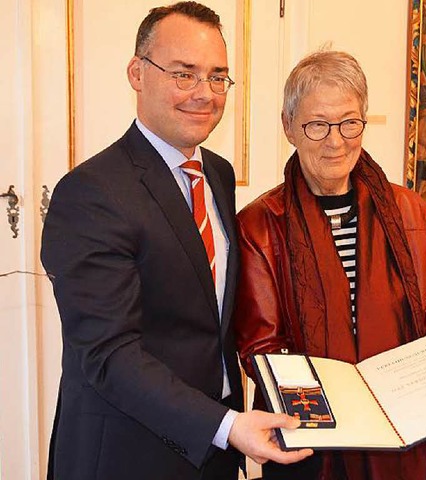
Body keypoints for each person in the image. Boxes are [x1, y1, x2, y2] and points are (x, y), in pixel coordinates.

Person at [41, 3, 312, 479]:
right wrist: (226, 426)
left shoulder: (218, 176)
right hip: (127, 454)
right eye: (184, 74)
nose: (204, 94)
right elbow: (109, 354)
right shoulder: (91, 193)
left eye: (217, 77)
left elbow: (209, 319)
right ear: (137, 73)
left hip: (213, 453)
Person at [233, 50, 426, 480]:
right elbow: (260, 348)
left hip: (406, 426)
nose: (336, 140)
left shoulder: (407, 209)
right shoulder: (260, 224)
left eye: (349, 122)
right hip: (314, 441)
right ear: (289, 127)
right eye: (317, 125)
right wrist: (338, 402)